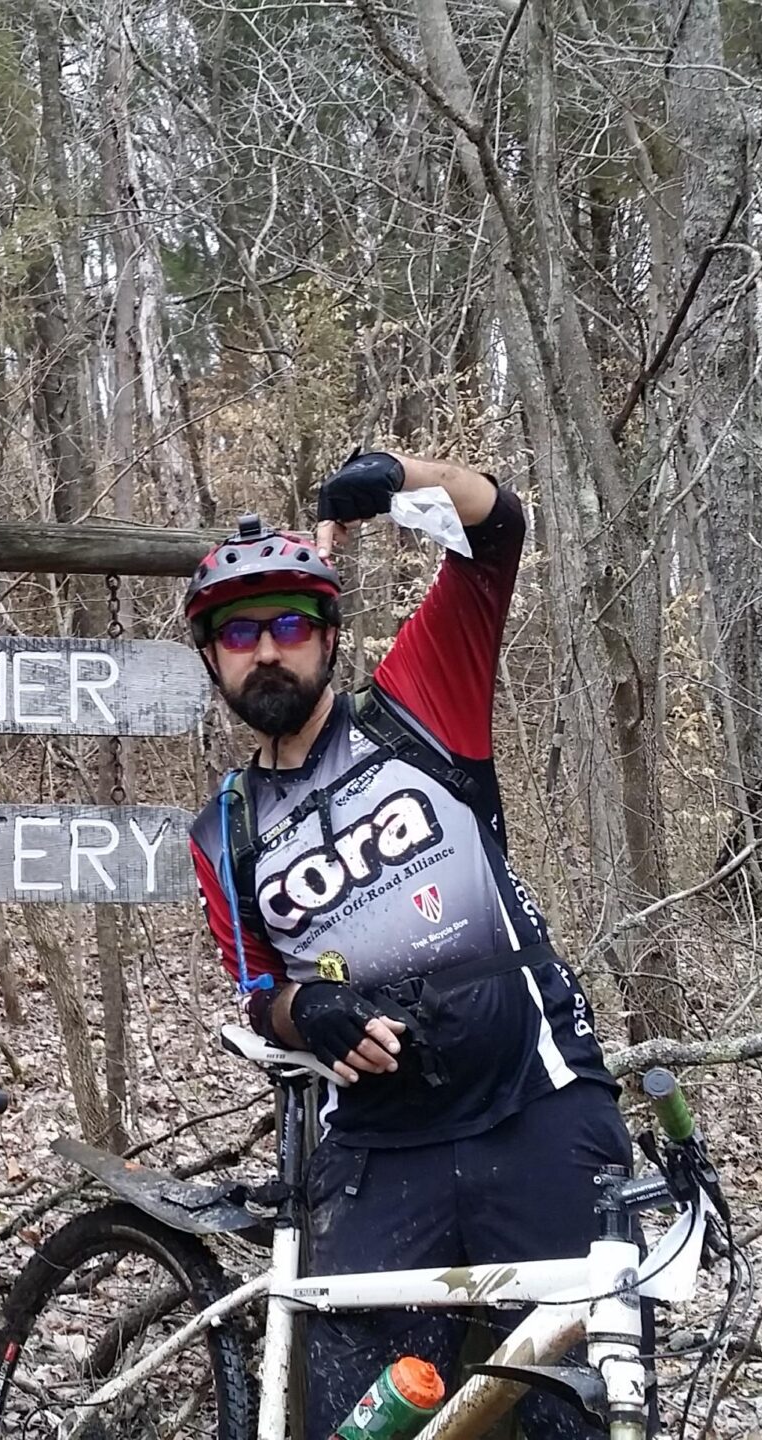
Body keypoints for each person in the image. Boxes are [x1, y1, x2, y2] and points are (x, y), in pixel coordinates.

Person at [183, 452, 628, 1439]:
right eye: (240, 632)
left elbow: (496, 532)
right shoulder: (224, 833)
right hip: (383, 1156)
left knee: (569, 1420)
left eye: (290, 624)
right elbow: (261, 995)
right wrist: (316, 1012)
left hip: (539, 1111)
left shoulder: (421, 707)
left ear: (329, 637)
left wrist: (395, 481)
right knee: (359, 1427)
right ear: (210, 657)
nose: (268, 651)